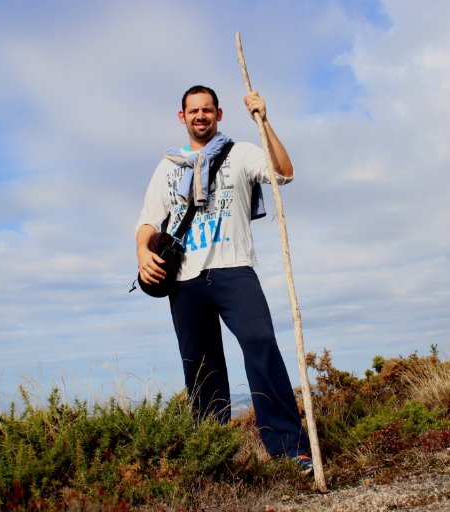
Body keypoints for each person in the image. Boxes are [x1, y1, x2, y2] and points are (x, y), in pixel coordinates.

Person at [135, 85, 312, 469]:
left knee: (261, 343)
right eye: (193, 111)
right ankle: (212, 458)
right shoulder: (168, 165)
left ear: (219, 114)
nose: (200, 116)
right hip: (184, 280)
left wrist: (264, 122)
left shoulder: (242, 153)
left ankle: (291, 450)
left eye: (207, 110)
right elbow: (148, 221)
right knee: (201, 369)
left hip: (235, 270)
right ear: (182, 117)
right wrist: (142, 252)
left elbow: (284, 174)